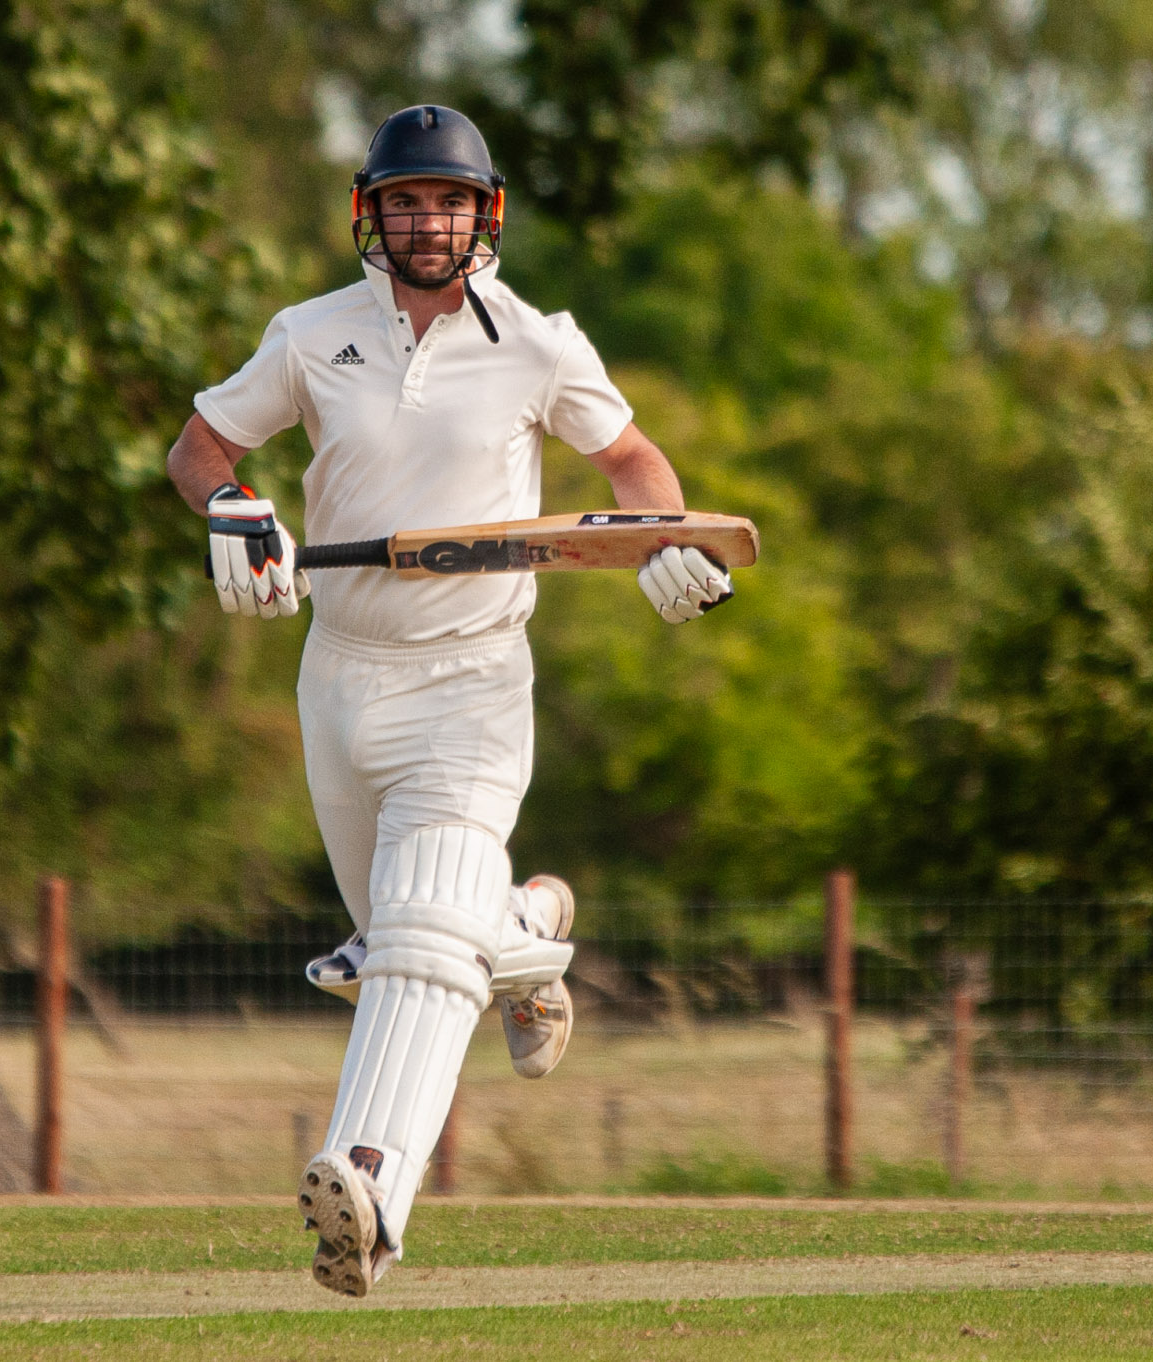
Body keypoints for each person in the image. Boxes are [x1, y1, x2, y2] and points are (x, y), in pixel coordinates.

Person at [165, 103, 733, 1297]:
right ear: (370, 213)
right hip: (341, 670)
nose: (429, 223)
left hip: (474, 677)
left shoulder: (538, 342)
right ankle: (526, 930)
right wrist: (234, 509)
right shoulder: (310, 335)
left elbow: (632, 469)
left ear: (486, 216)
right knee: (399, 942)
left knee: (419, 947)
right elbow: (200, 447)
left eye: (450, 203)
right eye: (407, 202)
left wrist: (665, 547)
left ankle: (365, 1191)